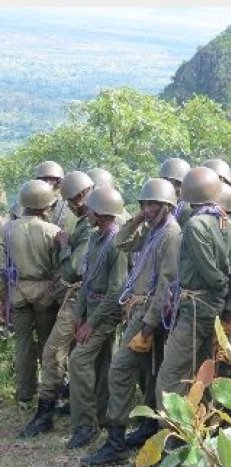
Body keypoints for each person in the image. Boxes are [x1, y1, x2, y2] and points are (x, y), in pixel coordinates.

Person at [145, 166, 231, 467]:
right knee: (203, 376)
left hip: (196, 308)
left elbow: (210, 272)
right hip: (211, 309)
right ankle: (203, 448)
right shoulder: (227, 222)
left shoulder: (196, 225)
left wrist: (219, 294)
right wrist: (228, 308)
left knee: (171, 379)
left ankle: (171, 456)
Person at [81, 178, 181, 466]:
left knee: (120, 371)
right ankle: (145, 429)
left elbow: (167, 284)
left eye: (154, 205)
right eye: (144, 204)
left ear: (167, 206)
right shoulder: (152, 230)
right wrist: (138, 218)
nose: (148, 209)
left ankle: (115, 443)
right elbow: (121, 241)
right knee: (148, 375)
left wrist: (148, 325)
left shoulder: (171, 235)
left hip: (149, 314)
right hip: (138, 310)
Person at [17, 172, 95, 438]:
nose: (69, 207)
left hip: (79, 297)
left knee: (52, 353)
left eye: (71, 201)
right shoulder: (85, 222)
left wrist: (64, 247)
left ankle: (45, 415)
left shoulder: (90, 225)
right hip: (77, 297)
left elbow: (73, 268)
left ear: (81, 196)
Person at [67, 185, 128, 449]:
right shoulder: (95, 238)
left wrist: (91, 323)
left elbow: (116, 290)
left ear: (101, 213)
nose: (86, 213)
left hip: (106, 314)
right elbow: (88, 280)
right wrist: (78, 314)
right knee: (102, 364)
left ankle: (86, 425)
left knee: (78, 360)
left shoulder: (117, 243)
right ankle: (100, 416)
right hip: (92, 308)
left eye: (90, 209)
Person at [0, 180, 62, 409]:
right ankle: (51, 392)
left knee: (23, 345)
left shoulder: (6, 229)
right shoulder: (53, 231)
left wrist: (3, 297)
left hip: (17, 292)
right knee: (49, 345)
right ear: (46, 206)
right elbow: (59, 268)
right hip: (46, 292)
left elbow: (2, 268)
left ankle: (25, 394)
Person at [34, 160, 77, 234]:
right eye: (43, 179)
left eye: (51, 179)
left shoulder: (66, 201)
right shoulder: (32, 198)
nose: (47, 182)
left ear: (59, 181)